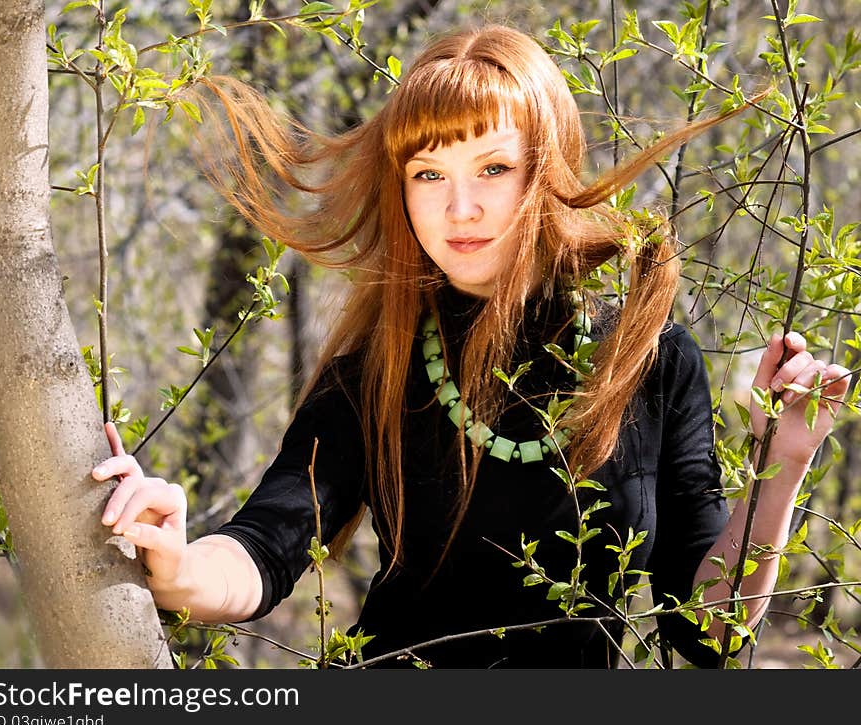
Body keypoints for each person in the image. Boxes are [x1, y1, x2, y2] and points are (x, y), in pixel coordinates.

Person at [93, 24, 850, 668]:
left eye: (493, 167)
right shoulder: (379, 367)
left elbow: (706, 629)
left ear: (545, 171)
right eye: (429, 173)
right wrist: (181, 564)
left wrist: (782, 461)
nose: (459, 207)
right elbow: (266, 546)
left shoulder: (647, 358)